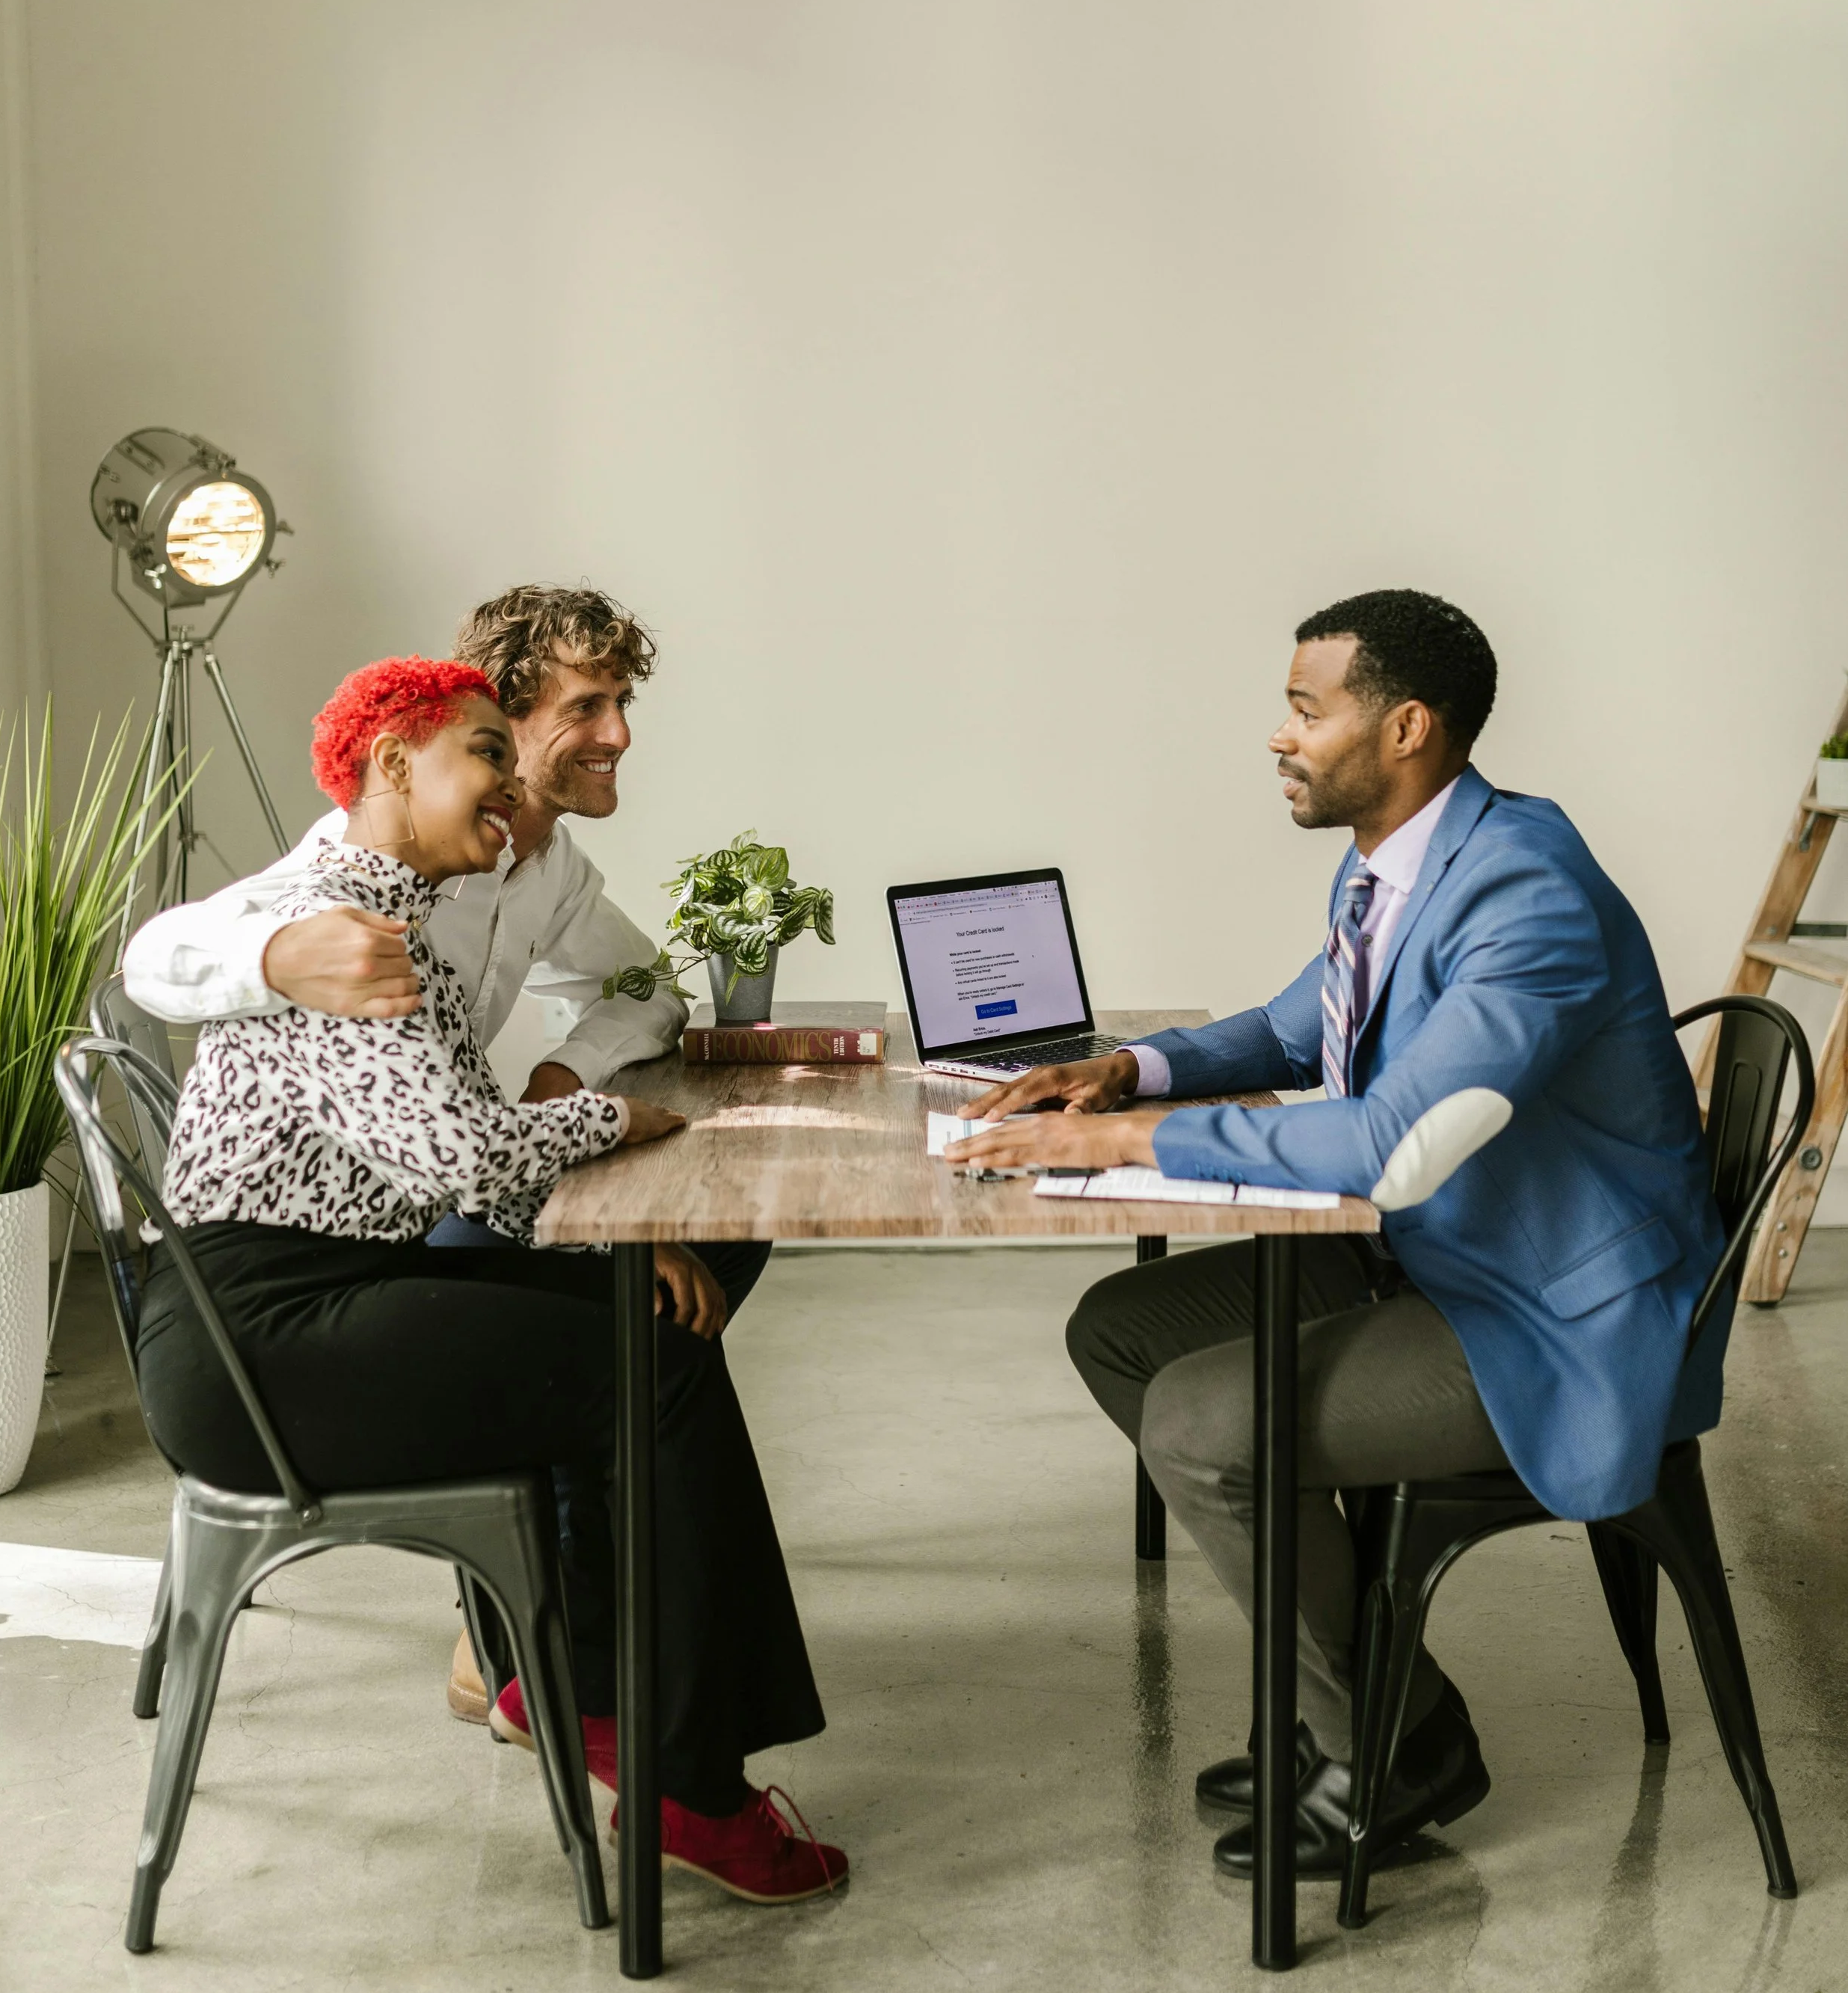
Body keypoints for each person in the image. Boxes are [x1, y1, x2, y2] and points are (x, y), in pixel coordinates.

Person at [955, 589, 1724, 1883]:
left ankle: (1395, 1741)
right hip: (1446, 1252)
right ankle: (1356, 1698)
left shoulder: (1525, 889)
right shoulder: (1405, 854)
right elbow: (1307, 1017)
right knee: (1121, 1332)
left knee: (1200, 1427)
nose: (1280, 736)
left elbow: (1388, 1139)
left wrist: (1127, 1147)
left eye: (1308, 710)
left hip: (1553, 1315)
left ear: (1406, 725)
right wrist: (1127, 1072)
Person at [142, 654, 846, 1904]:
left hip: (303, 1300)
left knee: (653, 1322)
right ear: (392, 765)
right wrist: (615, 1125)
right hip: (264, 1343)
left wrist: (632, 1234)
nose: (511, 785)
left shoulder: (395, 910)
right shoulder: (343, 933)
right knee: (656, 1374)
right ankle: (691, 1782)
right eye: (483, 751)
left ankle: (580, 1686)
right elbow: (467, 1149)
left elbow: (459, 1140)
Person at [123, 582, 760, 1723]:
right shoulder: (348, 907)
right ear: (431, 752)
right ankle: (573, 1677)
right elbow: (156, 956)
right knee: (637, 1354)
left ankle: (578, 1650)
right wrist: (275, 956)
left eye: (623, 702)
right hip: (284, 1302)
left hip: (365, 1243)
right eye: (590, 706)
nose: (619, 734)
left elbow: (641, 994)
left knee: (675, 1287)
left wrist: (568, 1080)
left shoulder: (510, 875)